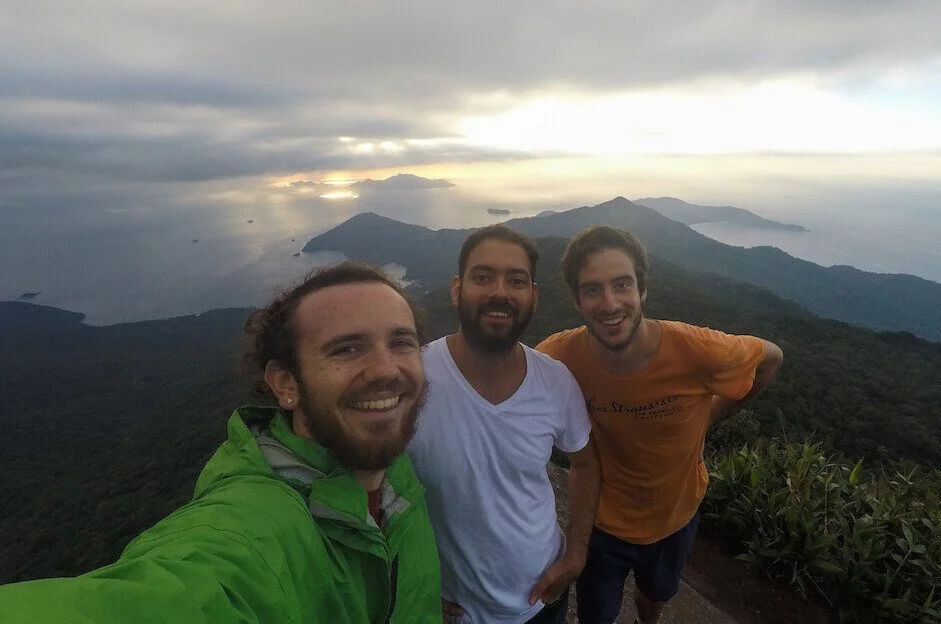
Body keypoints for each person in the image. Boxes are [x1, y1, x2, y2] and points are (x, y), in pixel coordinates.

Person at [0, 261, 442, 623]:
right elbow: (179, 596)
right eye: (346, 349)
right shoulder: (253, 528)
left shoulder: (395, 475)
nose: (386, 369)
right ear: (286, 383)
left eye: (401, 342)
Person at [537, 225, 784, 624]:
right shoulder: (558, 357)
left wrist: (712, 414)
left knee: (656, 595)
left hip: (676, 516)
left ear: (643, 290)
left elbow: (771, 358)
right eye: (593, 289)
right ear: (578, 300)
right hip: (601, 522)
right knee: (595, 614)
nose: (610, 303)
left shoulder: (697, 349)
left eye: (622, 284)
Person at [406, 225, 601, 624]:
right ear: (457, 289)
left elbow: (585, 463)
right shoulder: (412, 380)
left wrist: (576, 554)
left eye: (516, 280)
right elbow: (371, 486)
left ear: (534, 296)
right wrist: (411, 579)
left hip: (543, 598)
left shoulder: (555, 381)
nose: (500, 292)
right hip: (455, 611)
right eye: (483, 277)